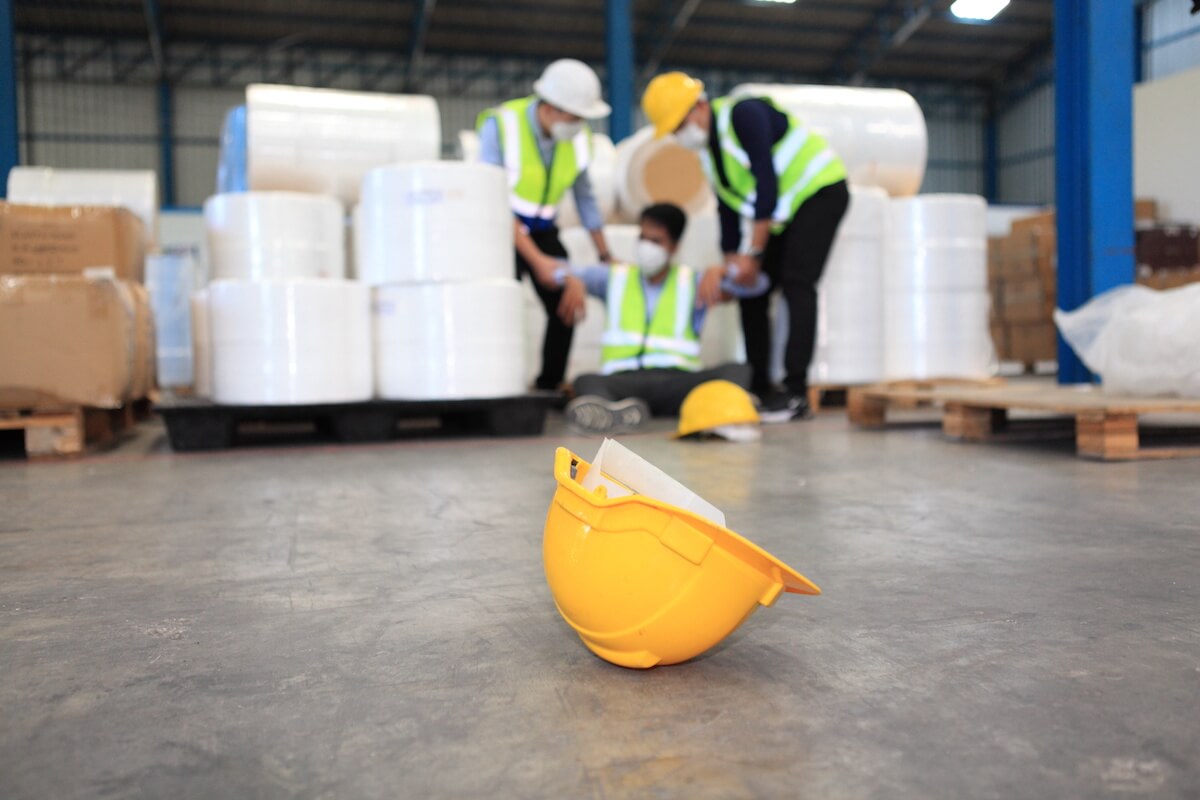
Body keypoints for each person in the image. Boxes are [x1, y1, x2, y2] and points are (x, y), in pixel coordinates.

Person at [641, 71, 850, 422]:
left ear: (700, 106)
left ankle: (796, 392)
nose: (680, 135)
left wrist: (753, 254)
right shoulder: (709, 155)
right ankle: (761, 386)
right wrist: (733, 266)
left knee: (798, 281)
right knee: (751, 289)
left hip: (820, 192)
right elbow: (727, 207)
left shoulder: (745, 114)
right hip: (786, 212)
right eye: (673, 131)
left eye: (680, 124)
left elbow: (765, 183)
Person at [533, 203, 754, 436]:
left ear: (674, 247)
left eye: (656, 241)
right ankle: (615, 414)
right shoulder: (615, 277)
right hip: (625, 382)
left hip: (678, 382)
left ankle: (713, 408)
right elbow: (553, 271)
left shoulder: (693, 281)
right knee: (585, 380)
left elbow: (753, 286)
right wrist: (569, 278)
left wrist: (722, 271)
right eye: (643, 238)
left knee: (737, 370)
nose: (646, 247)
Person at [477, 59, 613, 393]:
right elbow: (491, 198)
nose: (578, 124)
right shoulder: (502, 126)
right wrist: (537, 262)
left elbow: (585, 198)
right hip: (501, 228)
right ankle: (498, 385)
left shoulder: (578, 141)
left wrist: (605, 254)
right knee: (501, 306)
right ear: (550, 108)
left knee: (567, 300)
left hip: (543, 228)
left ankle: (549, 385)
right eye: (574, 116)